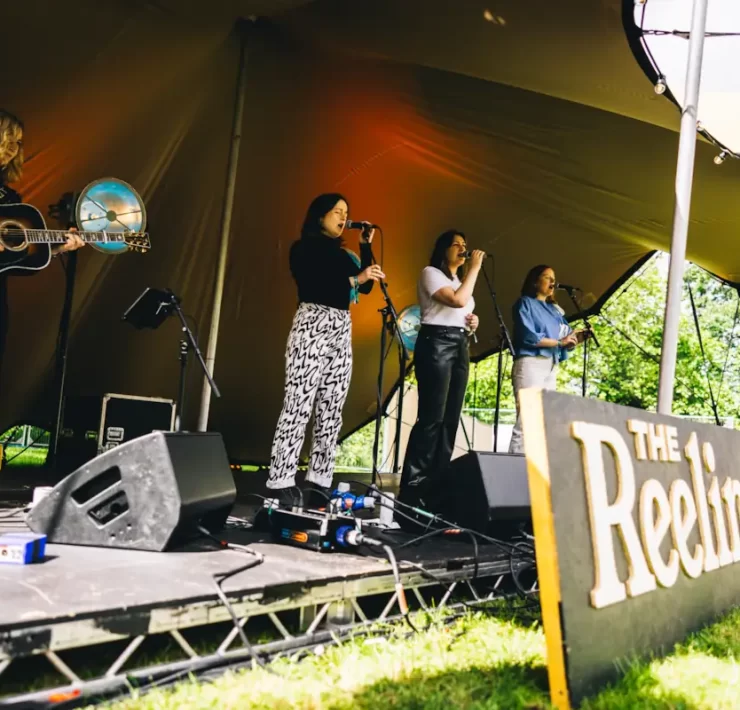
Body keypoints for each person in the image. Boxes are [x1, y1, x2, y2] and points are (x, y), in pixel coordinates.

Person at [267, 193, 384, 504]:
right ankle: (280, 479)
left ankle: (320, 479)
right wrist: (355, 278)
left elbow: (368, 284)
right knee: (299, 402)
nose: (343, 217)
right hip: (311, 323)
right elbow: (316, 285)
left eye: (346, 212)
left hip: (340, 327)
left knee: (332, 407)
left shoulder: (344, 254)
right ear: (320, 215)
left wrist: (365, 245)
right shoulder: (304, 249)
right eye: (337, 211)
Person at [399, 230, 484, 509]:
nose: (463, 248)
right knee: (431, 418)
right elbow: (456, 300)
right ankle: (412, 489)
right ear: (443, 249)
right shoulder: (430, 273)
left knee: (449, 420)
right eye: (456, 244)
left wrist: (472, 322)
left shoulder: (460, 280)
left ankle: (437, 488)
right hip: (436, 343)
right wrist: (475, 268)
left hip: (459, 344)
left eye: (465, 244)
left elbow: (462, 307)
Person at [0, 109, 85, 380]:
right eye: (8, 138)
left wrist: (60, 246)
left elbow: (17, 259)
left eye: (18, 142)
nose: (14, 148)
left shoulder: (10, 198)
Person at [508, 264, 589, 454]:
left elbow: (565, 336)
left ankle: (535, 470)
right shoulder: (524, 303)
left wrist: (577, 337)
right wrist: (560, 342)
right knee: (526, 419)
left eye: (553, 278)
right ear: (535, 281)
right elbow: (528, 336)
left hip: (550, 366)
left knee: (544, 419)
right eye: (546, 277)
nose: (552, 281)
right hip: (531, 363)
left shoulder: (554, 310)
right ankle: (513, 467)